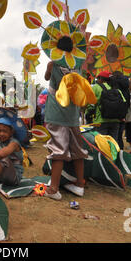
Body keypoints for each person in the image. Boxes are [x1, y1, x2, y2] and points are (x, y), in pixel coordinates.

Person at [42, 58, 88, 200]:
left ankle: (54, 189)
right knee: (77, 149)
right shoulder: (79, 67)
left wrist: (50, 68)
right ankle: (80, 184)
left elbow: (47, 77)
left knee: (58, 149)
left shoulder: (53, 65)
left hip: (56, 112)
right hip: (73, 114)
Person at [91, 71, 126, 141]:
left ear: (100, 78)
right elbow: (124, 102)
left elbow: (90, 104)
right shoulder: (117, 89)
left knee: (102, 144)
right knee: (113, 143)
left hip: (100, 120)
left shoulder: (95, 88)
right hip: (115, 120)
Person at [110, 71, 131, 150]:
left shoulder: (114, 88)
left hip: (113, 116)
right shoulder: (126, 90)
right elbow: (128, 103)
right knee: (119, 136)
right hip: (123, 115)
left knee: (113, 137)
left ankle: (114, 153)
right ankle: (120, 152)